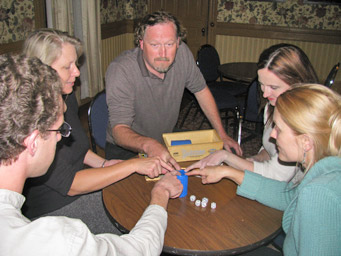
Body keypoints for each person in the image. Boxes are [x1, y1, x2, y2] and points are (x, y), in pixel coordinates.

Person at [0, 54, 183, 256]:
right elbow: (139, 250)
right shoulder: (61, 242)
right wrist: (160, 194)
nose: (61, 139)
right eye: (59, 131)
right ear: (33, 143)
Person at [21, 29, 175, 234]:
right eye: (68, 66)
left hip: (76, 189)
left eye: (75, 64)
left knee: (139, 196)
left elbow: (74, 147)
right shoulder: (34, 115)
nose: (77, 72)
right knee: (136, 218)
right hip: (54, 209)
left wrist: (103, 163)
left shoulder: (64, 97)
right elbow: (71, 185)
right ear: (43, 70)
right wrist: (133, 164)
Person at [187, 84, 341, 255]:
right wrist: (227, 172)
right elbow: (290, 196)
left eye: (279, 129)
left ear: (306, 142)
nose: (272, 135)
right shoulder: (325, 172)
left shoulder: (319, 193)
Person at [105, 11, 242, 166]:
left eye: (169, 44)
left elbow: (201, 91)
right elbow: (119, 131)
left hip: (165, 139)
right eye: (154, 45)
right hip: (127, 149)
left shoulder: (182, 53)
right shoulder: (121, 70)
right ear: (141, 44)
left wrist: (222, 135)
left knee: (202, 172)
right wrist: (149, 145)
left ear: (178, 42)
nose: (163, 53)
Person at [186, 44, 319, 182]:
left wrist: (227, 159)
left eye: (273, 87)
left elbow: (276, 177)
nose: (266, 94)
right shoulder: (272, 105)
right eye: (262, 85)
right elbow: (269, 150)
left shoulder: (305, 120)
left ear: (297, 83)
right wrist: (254, 160)